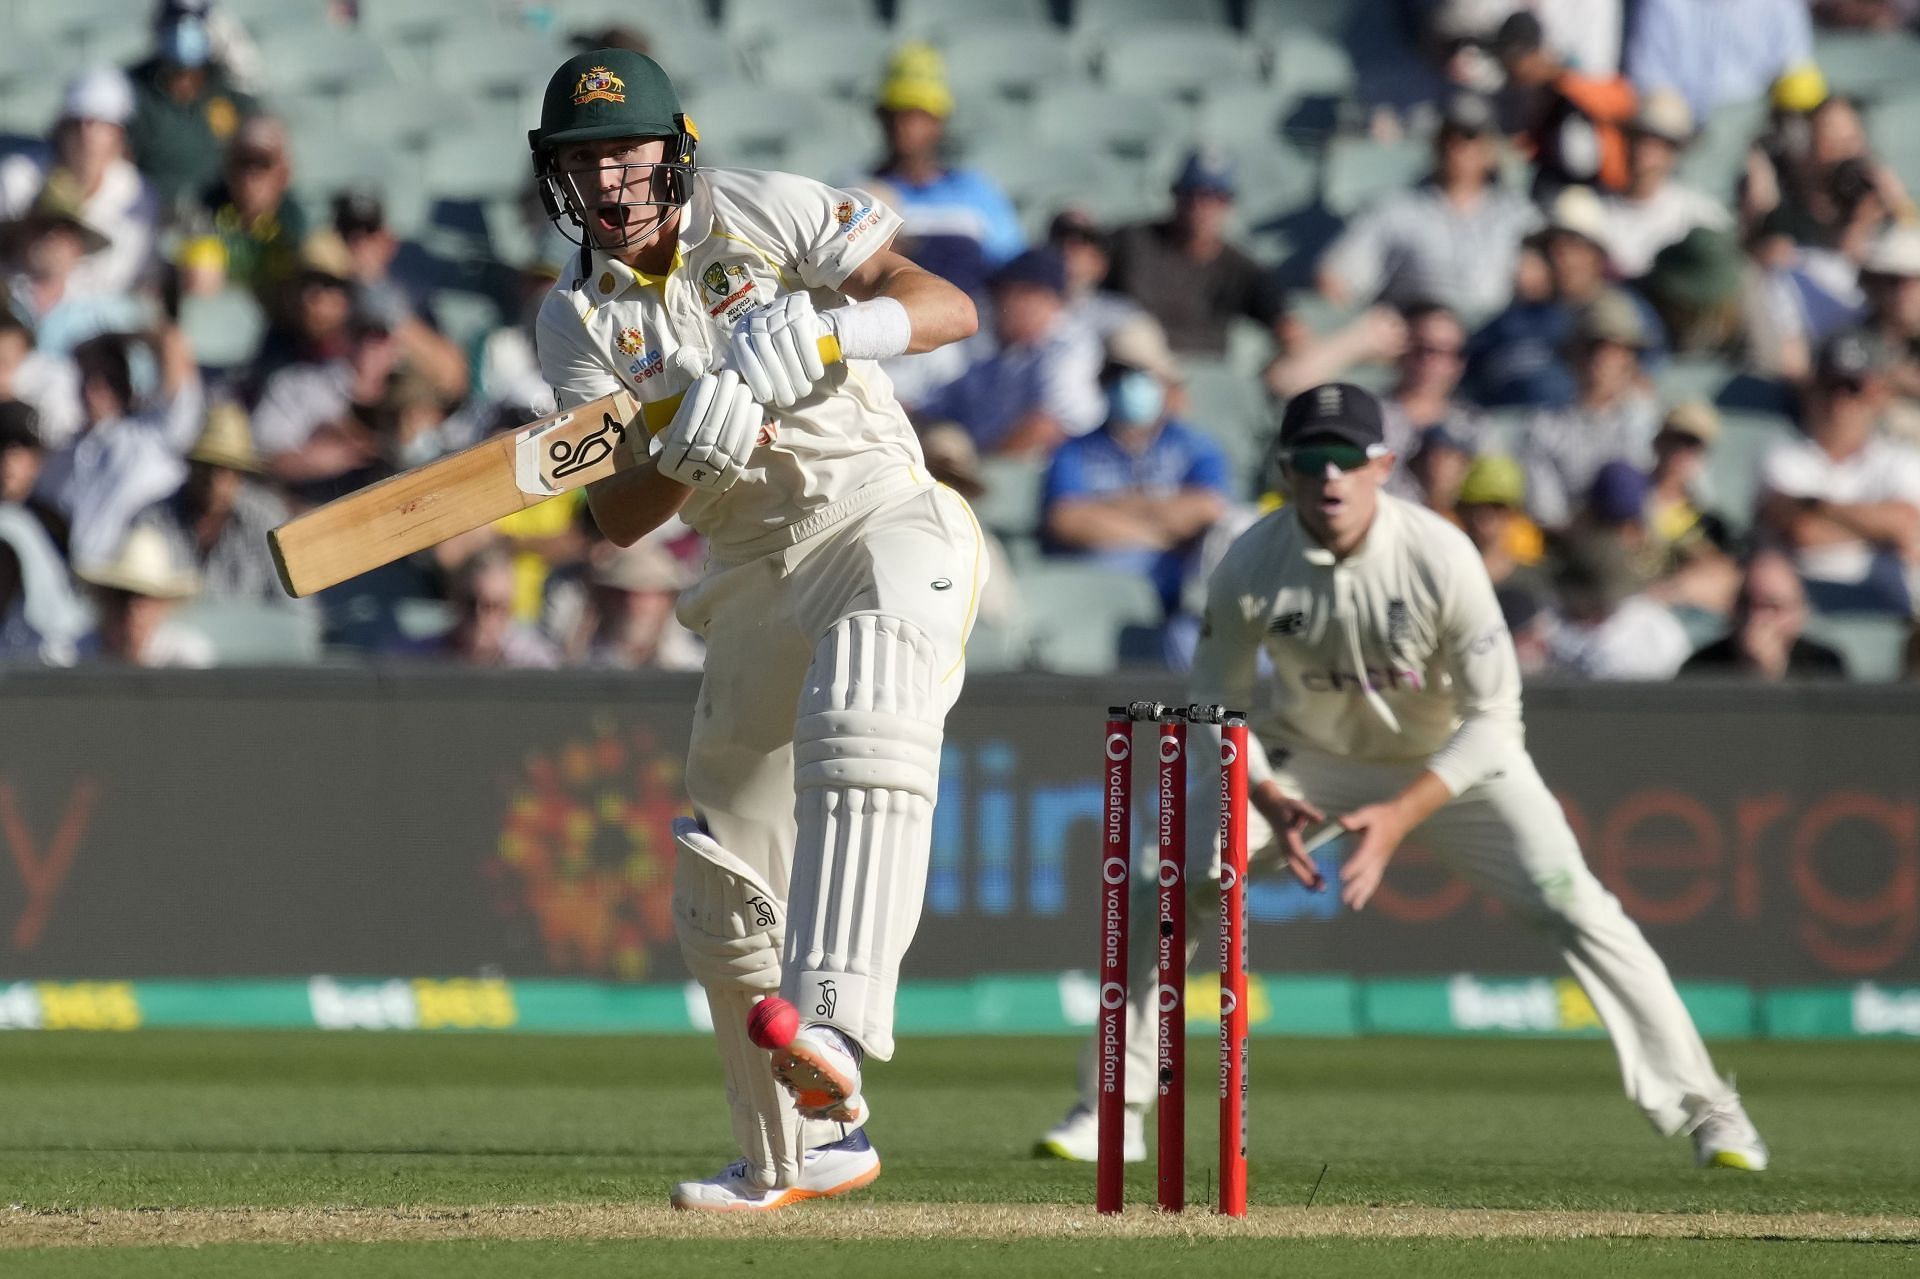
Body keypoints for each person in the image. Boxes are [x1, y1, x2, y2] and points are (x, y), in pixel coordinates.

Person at [1036, 381, 1767, 1171]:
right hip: (1300, 760)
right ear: (1286, 467)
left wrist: (1398, 816)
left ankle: (1712, 1111)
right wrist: (1266, 794)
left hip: (1450, 761)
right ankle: (1111, 1110)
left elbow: (1496, 720)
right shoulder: (1248, 556)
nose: (1330, 478)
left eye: (1348, 459)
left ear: (1383, 465)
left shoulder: (1439, 555)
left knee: (1579, 905)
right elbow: (1215, 705)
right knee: (1162, 880)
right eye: (1312, 460)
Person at [526, 50, 984, 1210]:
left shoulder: (758, 208)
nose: (609, 182)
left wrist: (840, 335)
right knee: (721, 890)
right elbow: (614, 513)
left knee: (868, 703)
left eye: (625, 153)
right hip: (747, 576)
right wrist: (676, 463)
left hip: (882, 511)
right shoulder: (575, 318)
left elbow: (950, 305)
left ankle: (833, 1020)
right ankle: (799, 1153)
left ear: (670, 151)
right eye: (583, 163)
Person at [1040, 320, 1230, 615]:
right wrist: (1161, 538)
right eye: (1118, 374)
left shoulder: (1195, 445)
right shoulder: (1073, 450)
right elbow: (1068, 520)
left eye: (1140, 374)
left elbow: (1208, 509)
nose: (1128, 384)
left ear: (1165, 383)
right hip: (1097, 595)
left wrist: (1109, 508)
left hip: (1178, 595)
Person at [1319, 92, 1542, 323]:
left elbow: (1545, 283)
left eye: (1469, 137)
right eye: (1448, 136)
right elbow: (1336, 276)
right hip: (1418, 339)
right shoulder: (1398, 209)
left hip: (1492, 340)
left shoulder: (1519, 216)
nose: (1456, 148)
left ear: (1489, 149)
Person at [1755, 330, 1920, 614]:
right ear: (1813, 387)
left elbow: (1907, 525)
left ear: (1878, 394)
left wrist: (1817, 505)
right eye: (1830, 385)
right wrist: (1881, 531)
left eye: (1854, 387)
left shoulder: (1902, 459)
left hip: (1886, 605)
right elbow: (1803, 532)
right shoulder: (1783, 454)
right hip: (1799, 608)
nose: (1840, 400)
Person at [1467, 185, 1662, 408]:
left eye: (1574, 244)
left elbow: (1646, 383)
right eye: (1553, 245)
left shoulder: (1630, 313)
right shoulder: (1511, 321)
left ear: (1597, 255)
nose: (1562, 256)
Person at [863, 43, 1022, 299]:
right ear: (881, 118)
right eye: (896, 115)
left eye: (917, 116)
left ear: (939, 122)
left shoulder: (976, 190)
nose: (905, 127)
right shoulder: (857, 189)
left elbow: (1011, 267)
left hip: (970, 326)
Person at [916, 248, 1104, 458]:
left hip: (1049, 470)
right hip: (990, 458)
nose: (997, 304)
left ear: (1038, 296)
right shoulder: (1001, 346)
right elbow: (943, 402)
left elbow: (1046, 425)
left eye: (1006, 294)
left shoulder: (1068, 344)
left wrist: (982, 468)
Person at [1104, 149, 1289, 359]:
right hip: (1133, 373)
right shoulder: (1131, 242)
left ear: (1228, 204)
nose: (1201, 207)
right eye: (1192, 194)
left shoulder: (1241, 268)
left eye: (1215, 197)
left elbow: (1285, 325)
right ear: (1175, 195)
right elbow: (1083, 273)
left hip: (1206, 377)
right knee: (1131, 334)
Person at [0, 68, 159, 299]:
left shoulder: (139, 197)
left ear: (119, 135)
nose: (87, 136)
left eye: (101, 125)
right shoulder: (15, 178)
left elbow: (132, 280)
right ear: (61, 128)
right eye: (78, 123)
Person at [1519, 289, 1662, 529]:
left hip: (1641, 543)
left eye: (1613, 349)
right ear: (1573, 354)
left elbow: (1675, 497)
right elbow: (1547, 514)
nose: (1600, 358)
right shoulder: (1544, 426)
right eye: (1592, 346)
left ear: (1630, 358)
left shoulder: (1652, 422)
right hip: (1569, 544)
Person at [135, 401, 292, 603]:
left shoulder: (268, 523)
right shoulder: (152, 521)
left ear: (240, 474)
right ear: (191, 466)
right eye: (207, 466)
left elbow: (294, 610)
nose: (214, 480)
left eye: (226, 468)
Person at [1492, 10, 1639, 198]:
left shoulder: (1577, 85)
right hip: (1553, 191)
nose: (1511, 71)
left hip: (1604, 193)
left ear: (1535, 53)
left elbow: (1625, 107)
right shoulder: (1527, 96)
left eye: (1515, 60)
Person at [125, 10, 257, 207]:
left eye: (194, 19)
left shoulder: (227, 89)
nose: (182, 29)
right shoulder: (133, 91)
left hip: (219, 216)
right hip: (153, 214)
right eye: (174, 17)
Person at [1595, 90, 1733, 278]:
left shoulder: (1699, 216)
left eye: (1659, 143)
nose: (1644, 151)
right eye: (1639, 137)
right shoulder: (1593, 209)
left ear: (1675, 152)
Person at [1625, 0, 1812, 123]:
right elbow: (1647, 73)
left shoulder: (1783, 5)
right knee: (1661, 120)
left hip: (1754, 121)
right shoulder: (1663, 3)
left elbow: (1794, 68)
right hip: (1681, 123)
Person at [1681, 547, 1847, 679]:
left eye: (1773, 606)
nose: (1758, 618)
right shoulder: (1700, 668)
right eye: (1747, 603)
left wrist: (1771, 673)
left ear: (1800, 611)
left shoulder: (1824, 665)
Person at [73, 524, 213, 668]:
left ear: (162, 603)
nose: (131, 608)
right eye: (122, 594)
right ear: (104, 599)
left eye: (143, 596)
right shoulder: (73, 656)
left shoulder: (186, 657)